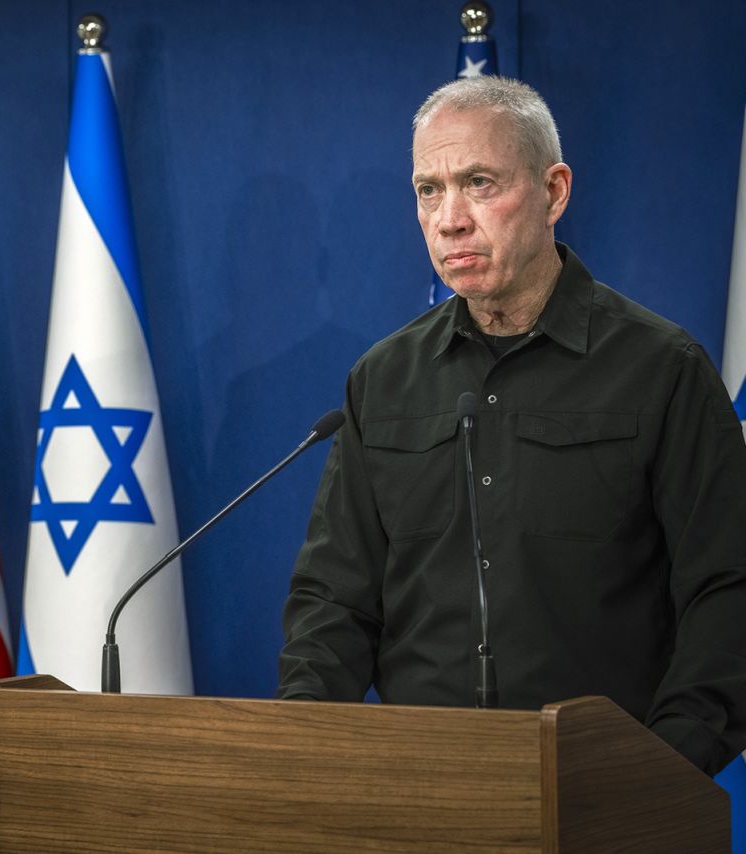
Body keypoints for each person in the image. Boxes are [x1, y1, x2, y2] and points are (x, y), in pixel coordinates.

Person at [278, 75, 746, 777]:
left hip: (607, 794)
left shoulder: (661, 370)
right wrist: (303, 751)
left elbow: (728, 590)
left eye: (479, 183)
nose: (449, 218)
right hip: (420, 790)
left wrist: (660, 769)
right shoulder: (383, 379)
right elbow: (334, 601)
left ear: (554, 191)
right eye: (428, 190)